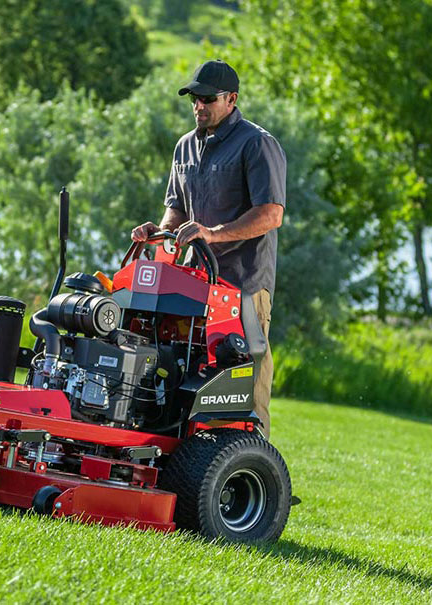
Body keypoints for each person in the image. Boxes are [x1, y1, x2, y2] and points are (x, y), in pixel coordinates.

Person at [131, 59, 286, 439]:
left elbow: (271, 214)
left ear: (231, 99)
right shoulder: (184, 147)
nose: (199, 106)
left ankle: (253, 471)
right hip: (194, 289)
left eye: (207, 99)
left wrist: (212, 234)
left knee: (244, 391)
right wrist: (159, 232)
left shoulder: (257, 143)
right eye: (194, 99)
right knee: (189, 381)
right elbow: (176, 209)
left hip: (245, 288)